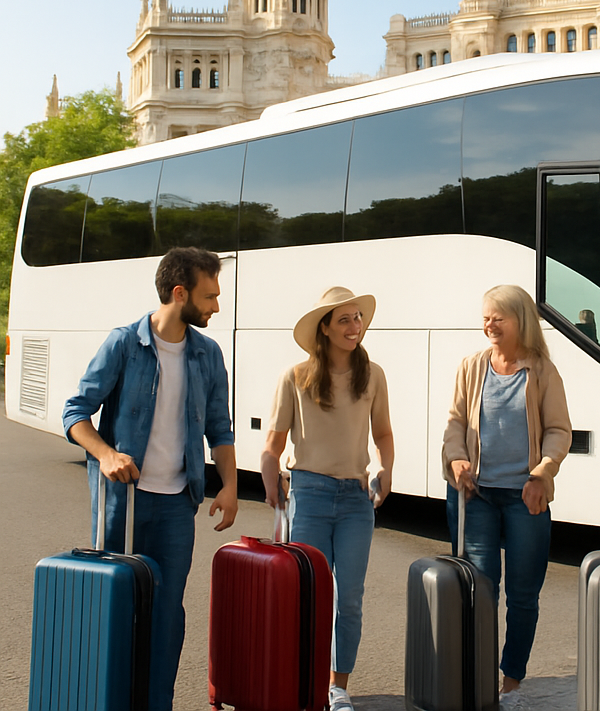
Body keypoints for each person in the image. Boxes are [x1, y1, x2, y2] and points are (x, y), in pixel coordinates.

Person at [63, 246, 237, 711]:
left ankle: (156, 703)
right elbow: (76, 412)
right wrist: (105, 454)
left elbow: (219, 427)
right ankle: (108, 699)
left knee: (166, 615)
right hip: (124, 503)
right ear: (179, 294)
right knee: (117, 607)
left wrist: (231, 485)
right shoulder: (124, 344)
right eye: (210, 296)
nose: (217, 306)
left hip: (178, 505)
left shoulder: (208, 354)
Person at [261, 286, 394, 711]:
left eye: (358, 318)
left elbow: (384, 434)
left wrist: (385, 468)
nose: (355, 327)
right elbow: (273, 443)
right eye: (344, 320)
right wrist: (269, 478)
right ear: (324, 328)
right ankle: (306, 682)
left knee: (348, 599)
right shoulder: (295, 377)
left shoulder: (373, 375)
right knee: (308, 595)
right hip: (309, 496)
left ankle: (338, 687)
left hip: (356, 500)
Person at [442, 285, 572, 709]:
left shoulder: (543, 371)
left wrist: (541, 473)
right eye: (485, 317)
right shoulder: (471, 366)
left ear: (521, 320)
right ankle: (479, 678)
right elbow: (455, 422)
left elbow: (558, 431)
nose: (489, 324)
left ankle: (512, 681)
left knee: (523, 594)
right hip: (476, 494)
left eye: (498, 317)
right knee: (480, 591)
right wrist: (457, 459)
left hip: (525, 496)